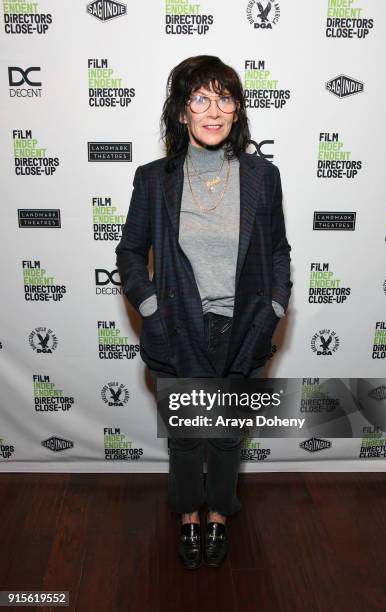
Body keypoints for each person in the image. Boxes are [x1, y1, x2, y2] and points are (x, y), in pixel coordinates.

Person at [115, 55, 292, 569]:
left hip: (244, 329)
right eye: (200, 98)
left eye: (224, 98)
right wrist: (149, 307)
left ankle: (218, 517)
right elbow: (130, 252)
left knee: (227, 435)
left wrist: (276, 304)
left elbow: (279, 250)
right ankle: (188, 519)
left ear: (237, 111)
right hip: (178, 328)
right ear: (180, 113)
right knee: (189, 439)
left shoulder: (264, 176)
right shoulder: (154, 180)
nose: (213, 110)